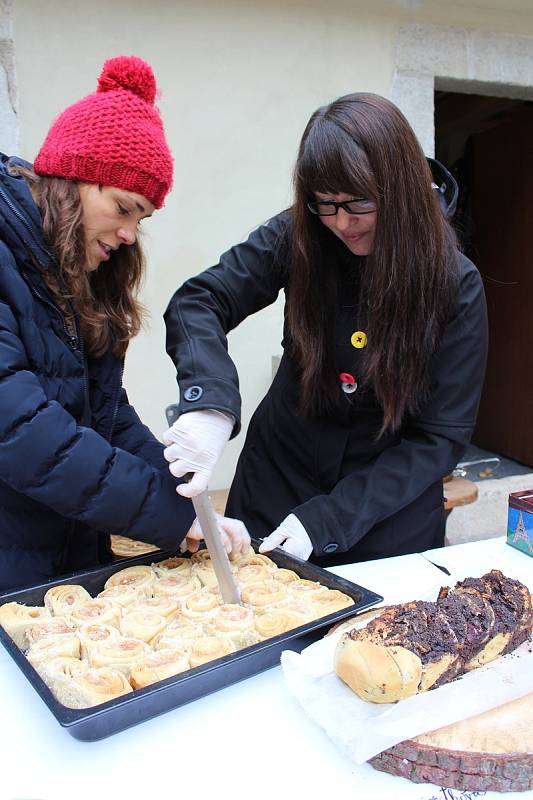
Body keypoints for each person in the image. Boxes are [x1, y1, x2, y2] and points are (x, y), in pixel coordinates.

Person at [163, 93, 488, 568]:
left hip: (384, 507)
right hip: (278, 476)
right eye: (325, 205)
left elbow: (437, 439)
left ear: (397, 189)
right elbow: (201, 300)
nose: (341, 223)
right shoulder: (300, 232)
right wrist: (209, 402)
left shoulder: (454, 284)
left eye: (358, 203)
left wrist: (329, 519)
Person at [0, 55, 248, 592]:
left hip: (64, 560)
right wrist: (165, 511)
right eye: (123, 207)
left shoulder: (77, 276)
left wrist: (189, 501)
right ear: (73, 180)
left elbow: (106, 418)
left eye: (143, 217)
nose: (131, 234)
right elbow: (22, 430)